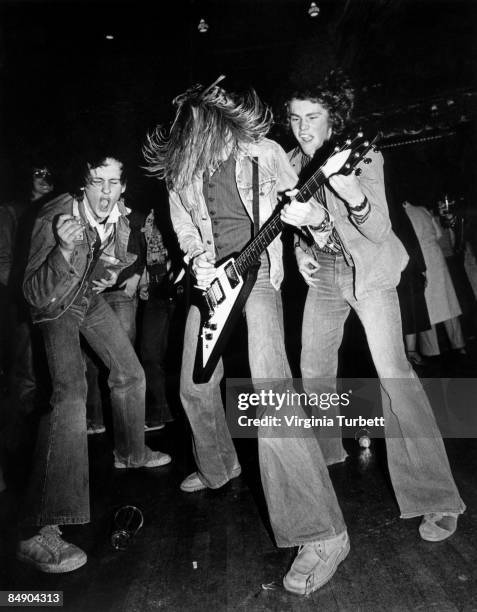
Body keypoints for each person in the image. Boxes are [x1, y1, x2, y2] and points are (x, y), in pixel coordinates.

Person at [144, 78, 350, 595]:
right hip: (213, 283)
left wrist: (310, 236)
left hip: (257, 277)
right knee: (193, 386)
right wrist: (197, 264)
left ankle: (323, 533)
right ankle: (219, 467)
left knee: (270, 391)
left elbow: (299, 202)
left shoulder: (264, 152)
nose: (195, 138)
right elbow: (183, 228)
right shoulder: (181, 169)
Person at [281, 73, 465, 567]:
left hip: (372, 269)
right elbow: (304, 223)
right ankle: (325, 458)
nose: (302, 128)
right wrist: (300, 251)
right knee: (313, 369)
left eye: (313, 117)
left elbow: (379, 225)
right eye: (296, 118)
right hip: (324, 274)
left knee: (394, 375)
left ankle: (437, 497)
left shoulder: (362, 155)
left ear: (333, 118)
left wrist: (352, 193)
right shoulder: (293, 164)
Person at [17, 147, 171, 574]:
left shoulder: (119, 215)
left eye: (114, 183)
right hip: (55, 306)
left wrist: (109, 268)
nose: (106, 192)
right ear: (84, 183)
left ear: (123, 185)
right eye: (97, 182)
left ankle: (129, 452)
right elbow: (31, 293)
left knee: (131, 372)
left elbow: (119, 257)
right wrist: (63, 251)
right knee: (70, 394)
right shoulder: (55, 214)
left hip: (88, 300)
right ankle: (40, 532)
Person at [403, 200, 466, 357]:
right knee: (448, 304)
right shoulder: (423, 209)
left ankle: (431, 351)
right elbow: (438, 234)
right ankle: (459, 345)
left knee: (427, 308)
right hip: (437, 258)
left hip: (421, 260)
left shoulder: (403, 215)